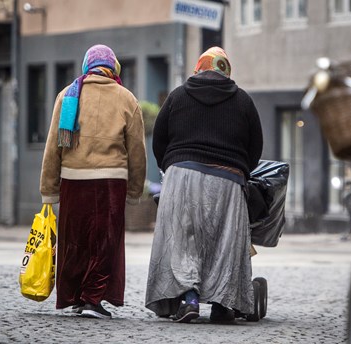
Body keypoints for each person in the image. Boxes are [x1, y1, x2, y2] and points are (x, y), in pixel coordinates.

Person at [145, 46, 263, 323]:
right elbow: (255, 147)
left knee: (184, 242)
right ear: (226, 70)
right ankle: (223, 305)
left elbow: (159, 140)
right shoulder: (243, 101)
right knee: (225, 242)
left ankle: (189, 300)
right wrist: (241, 170)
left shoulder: (177, 96)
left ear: (199, 67)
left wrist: (171, 169)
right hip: (228, 179)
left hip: (182, 174)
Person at [39, 44, 146, 319]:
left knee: (74, 240)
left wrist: (49, 190)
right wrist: (135, 191)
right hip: (111, 181)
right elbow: (137, 151)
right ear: (114, 68)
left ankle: (76, 297)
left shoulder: (67, 95)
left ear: (87, 65)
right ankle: (92, 299)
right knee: (105, 241)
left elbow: (54, 147)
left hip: (73, 179)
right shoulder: (127, 99)